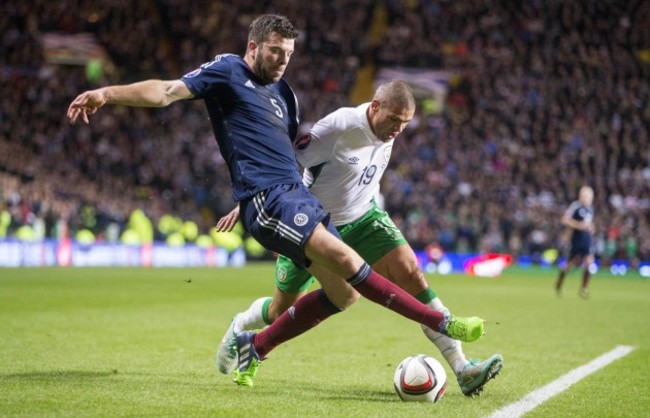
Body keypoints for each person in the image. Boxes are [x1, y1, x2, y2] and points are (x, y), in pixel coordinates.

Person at [67, 14, 485, 389]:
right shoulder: (228, 70)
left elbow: (286, 154)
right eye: (274, 50)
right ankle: (440, 321)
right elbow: (166, 91)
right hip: (273, 200)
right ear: (253, 47)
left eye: (288, 52)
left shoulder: (285, 96)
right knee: (341, 267)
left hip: (299, 199)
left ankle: (256, 343)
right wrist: (108, 93)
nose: (283, 59)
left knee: (346, 294)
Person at [215, 80, 503, 395]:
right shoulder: (339, 127)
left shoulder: (387, 130)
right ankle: (243, 326)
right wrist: (255, 202)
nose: (398, 129)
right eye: (394, 119)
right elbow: (286, 163)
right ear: (375, 106)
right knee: (280, 310)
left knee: (412, 273)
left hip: (364, 216)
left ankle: (463, 368)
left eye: (405, 123)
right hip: (314, 226)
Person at [555, 185, 595, 298]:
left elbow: (588, 224)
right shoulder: (575, 206)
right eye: (585, 195)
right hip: (576, 240)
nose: (587, 198)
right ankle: (559, 284)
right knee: (569, 264)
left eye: (589, 196)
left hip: (586, 240)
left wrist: (591, 228)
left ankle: (584, 288)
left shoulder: (591, 209)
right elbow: (565, 219)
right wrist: (578, 225)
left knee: (589, 262)